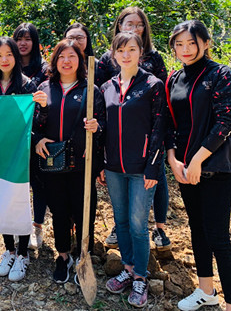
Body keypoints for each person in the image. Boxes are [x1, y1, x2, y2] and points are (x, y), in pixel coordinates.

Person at [166, 20, 231, 311]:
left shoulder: (220, 73)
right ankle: (206, 290)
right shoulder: (174, 78)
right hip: (184, 168)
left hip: (215, 168)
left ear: (205, 43)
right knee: (197, 229)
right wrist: (173, 160)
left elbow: (225, 121)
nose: (185, 49)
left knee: (218, 237)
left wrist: (198, 159)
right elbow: (170, 124)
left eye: (191, 43)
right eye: (179, 44)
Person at [100, 32, 166, 308]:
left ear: (141, 52)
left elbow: (160, 128)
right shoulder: (107, 87)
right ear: (114, 55)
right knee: (122, 220)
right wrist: (102, 164)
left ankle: (141, 276)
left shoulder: (153, 85)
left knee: (139, 226)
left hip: (142, 169)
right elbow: (103, 128)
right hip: (114, 168)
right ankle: (128, 268)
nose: (126, 55)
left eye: (131, 49)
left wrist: (153, 169)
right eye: (120, 50)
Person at [96, 7, 170, 252]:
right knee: (123, 211)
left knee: (153, 179)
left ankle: (159, 227)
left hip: (145, 139)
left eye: (139, 24)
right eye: (129, 23)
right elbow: (105, 97)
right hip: (117, 147)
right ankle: (124, 243)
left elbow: (160, 104)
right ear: (119, 26)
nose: (134, 28)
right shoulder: (108, 61)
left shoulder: (153, 62)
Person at [34, 38, 105, 285]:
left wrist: (97, 127)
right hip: (53, 163)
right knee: (59, 211)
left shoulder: (91, 89)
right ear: (55, 60)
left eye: (72, 56)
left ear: (80, 61)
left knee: (84, 211)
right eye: (62, 56)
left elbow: (103, 125)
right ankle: (63, 255)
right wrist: (39, 138)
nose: (67, 61)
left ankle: (82, 254)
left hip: (82, 164)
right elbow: (35, 125)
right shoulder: (44, 88)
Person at [0, 37, 46, 281]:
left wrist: (44, 106)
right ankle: (8, 249)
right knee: (2, 200)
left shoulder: (28, 86)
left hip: (22, 153)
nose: (4, 59)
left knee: (20, 200)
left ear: (16, 57)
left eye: (9, 54)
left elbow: (39, 121)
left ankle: (22, 253)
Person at [13, 23, 49, 250]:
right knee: (16, 182)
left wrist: (37, 137)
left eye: (28, 39)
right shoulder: (8, 66)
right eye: (19, 39)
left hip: (37, 135)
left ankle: (37, 225)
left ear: (35, 43)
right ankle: (17, 225)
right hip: (13, 137)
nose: (23, 43)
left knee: (38, 183)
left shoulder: (44, 70)